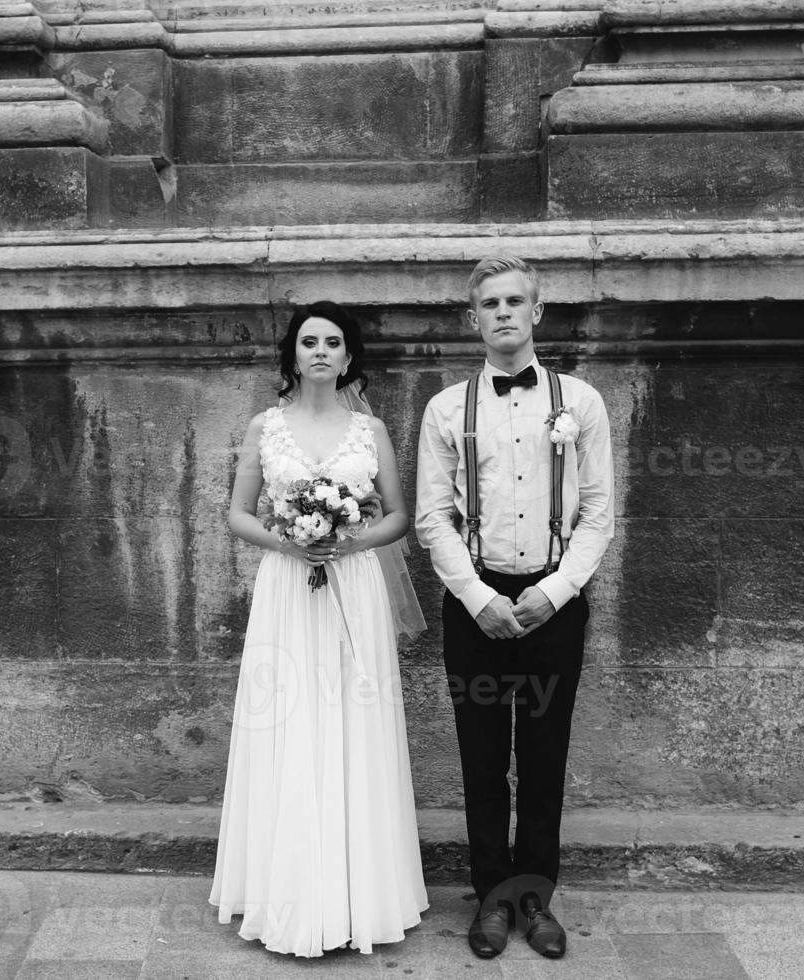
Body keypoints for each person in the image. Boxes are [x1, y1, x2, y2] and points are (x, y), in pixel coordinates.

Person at [210, 301, 429, 957]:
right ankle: (286, 890)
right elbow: (237, 513)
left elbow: (398, 515)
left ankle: (362, 891)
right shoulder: (264, 428)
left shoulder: (371, 432)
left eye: (334, 342)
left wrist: (350, 538)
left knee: (353, 721)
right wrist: (288, 541)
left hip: (352, 584)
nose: (321, 352)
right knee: (289, 719)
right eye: (309, 341)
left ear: (349, 356)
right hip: (288, 588)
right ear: (293, 354)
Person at [415, 255, 614, 960]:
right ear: (473, 319)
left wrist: (554, 592)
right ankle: (492, 897)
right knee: (479, 755)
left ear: (537, 313)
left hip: (554, 602)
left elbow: (597, 514)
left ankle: (536, 896)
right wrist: (475, 596)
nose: (502, 312)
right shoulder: (445, 409)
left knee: (543, 752)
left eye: (514, 301)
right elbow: (433, 519)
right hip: (476, 604)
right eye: (489, 303)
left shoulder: (581, 402)